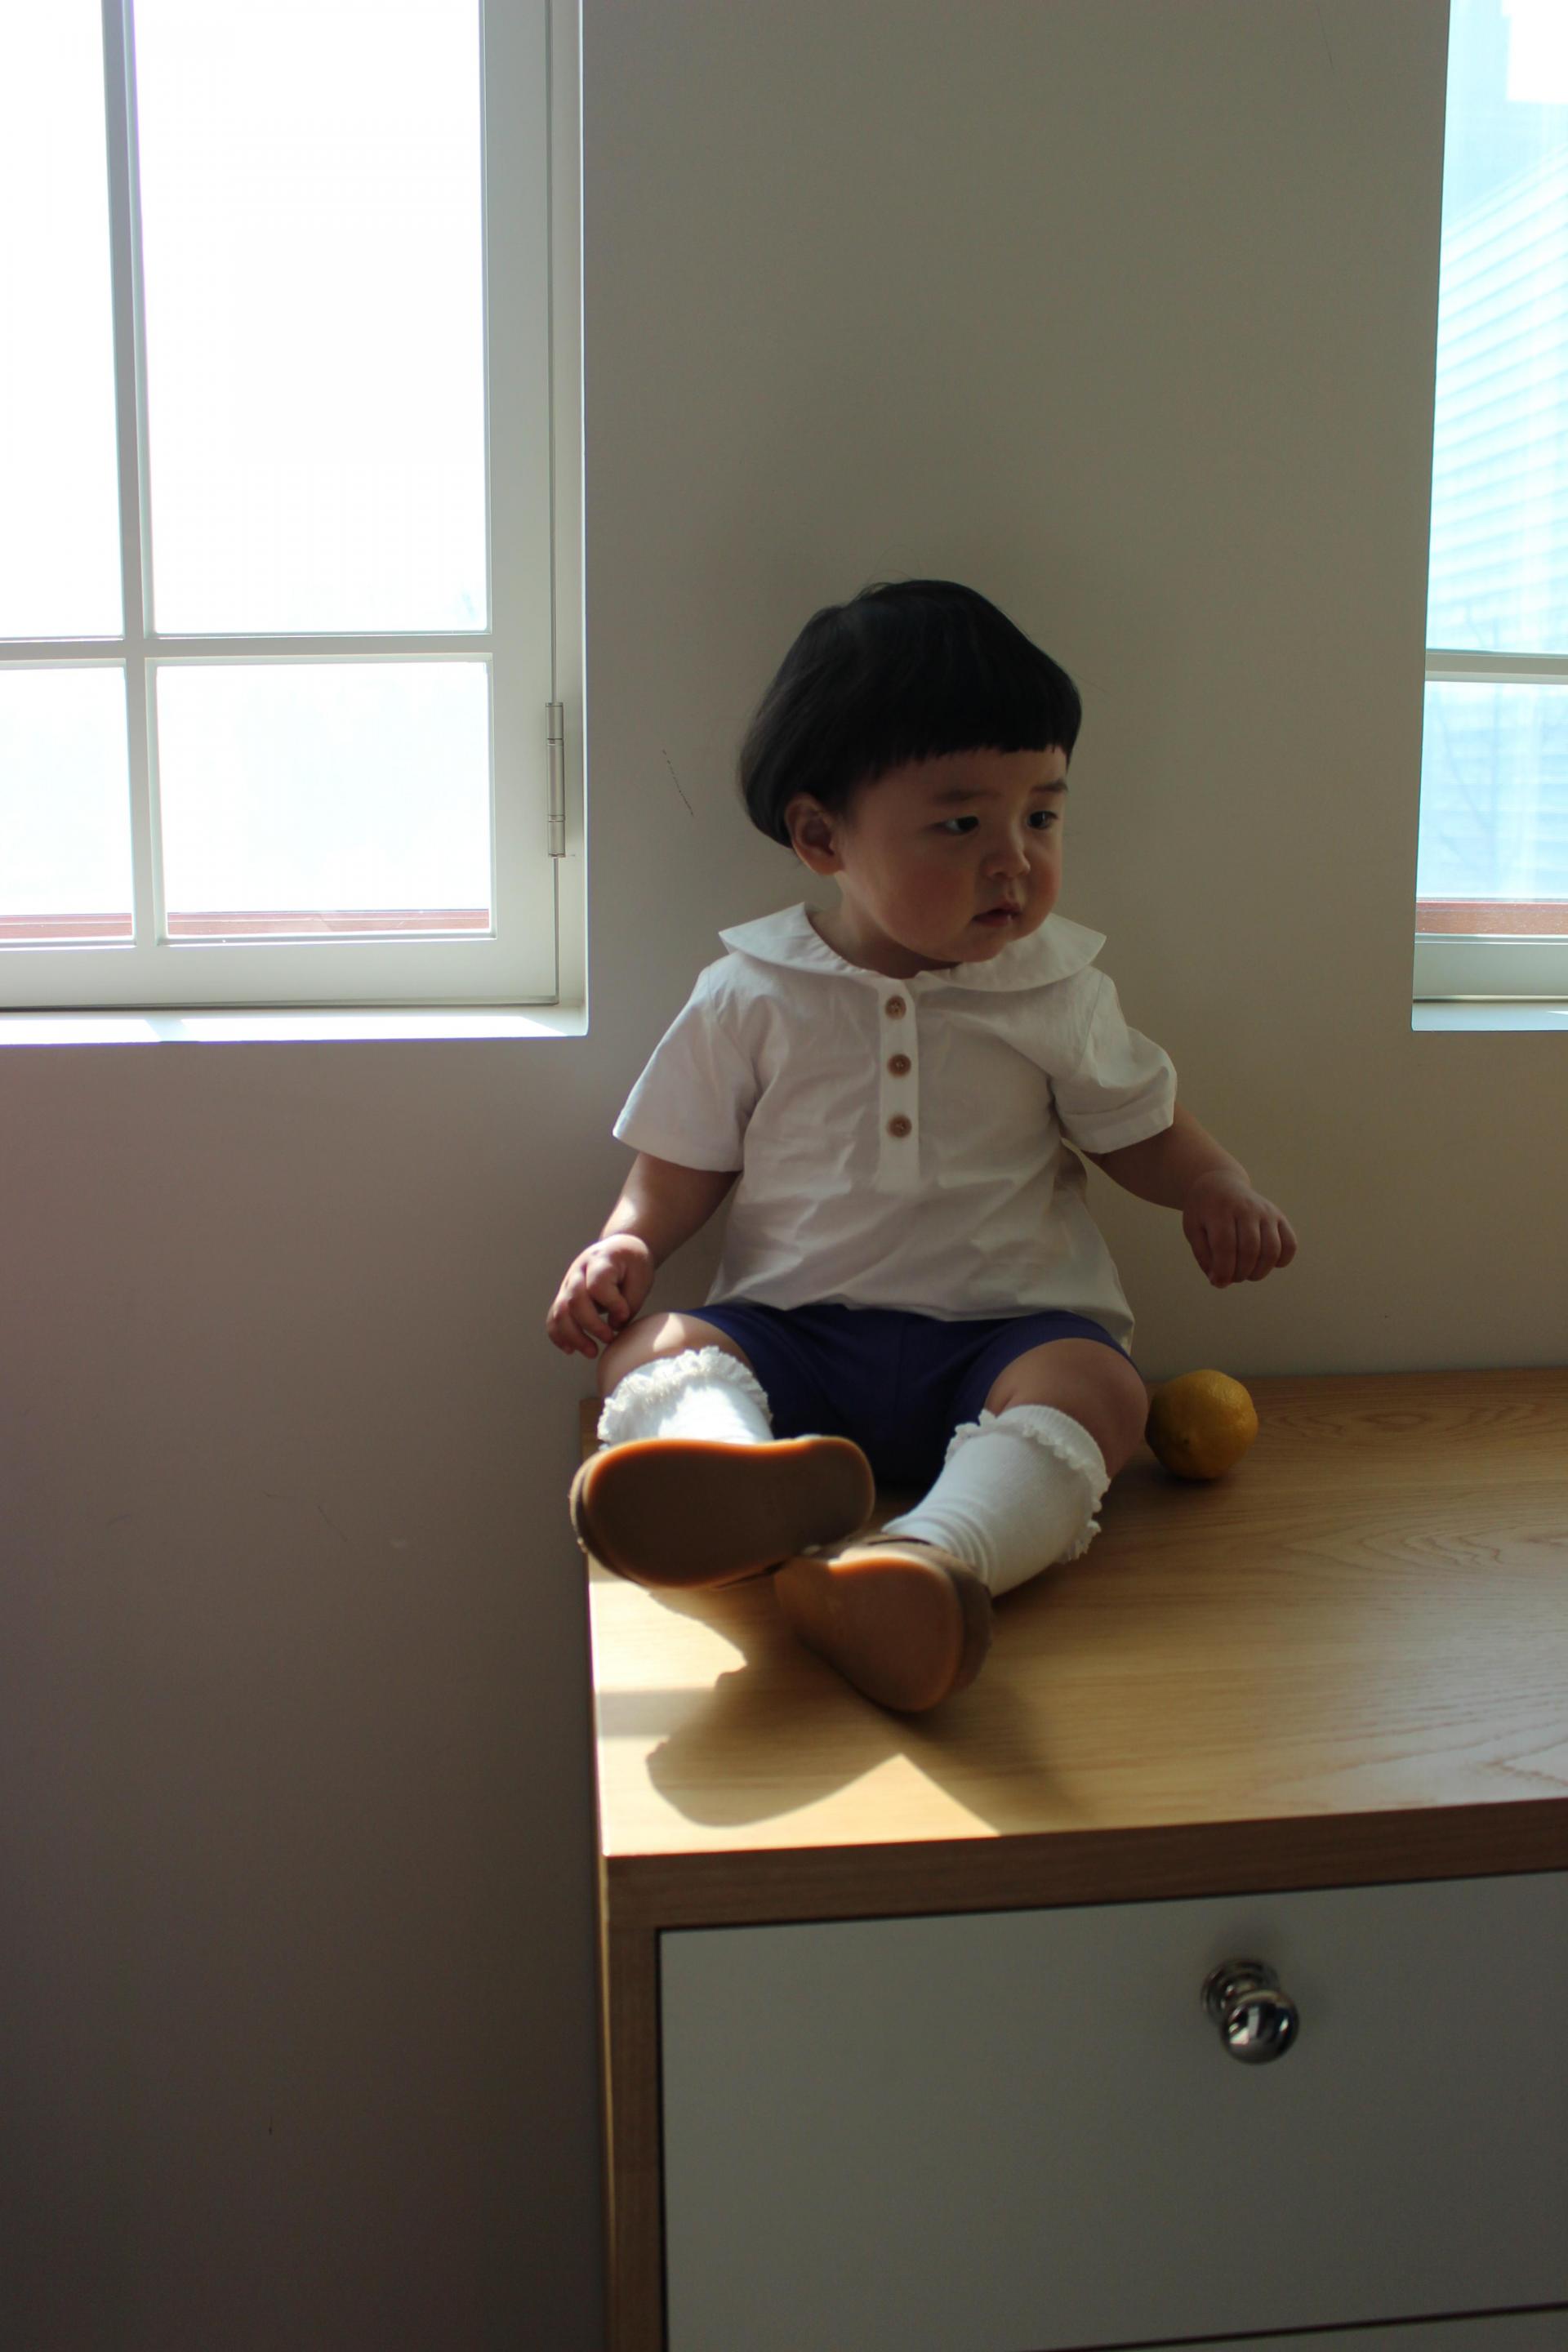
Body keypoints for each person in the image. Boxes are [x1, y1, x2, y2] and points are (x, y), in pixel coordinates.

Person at [546, 579, 1297, 1712]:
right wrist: (627, 1246)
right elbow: (680, 1162)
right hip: (793, 1336)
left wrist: (1214, 1185)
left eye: (1041, 817)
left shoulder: (1055, 990)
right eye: (961, 824)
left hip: (1002, 1338)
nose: (1014, 861)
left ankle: (929, 1560)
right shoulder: (752, 991)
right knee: (651, 1351)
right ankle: (740, 1484)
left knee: (1102, 1390)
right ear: (821, 836)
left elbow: (1140, 1128)